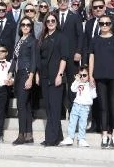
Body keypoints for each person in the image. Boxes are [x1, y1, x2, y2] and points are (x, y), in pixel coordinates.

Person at [88, 14, 114, 148]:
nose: (104, 25)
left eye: (107, 23)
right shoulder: (94, 40)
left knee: (113, 106)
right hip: (99, 76)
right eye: (102, 23)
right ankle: (104, 135)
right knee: (103, 107)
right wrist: (90, 75)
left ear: (111, 25)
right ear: (99, 25)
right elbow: (91, 58)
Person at [37, 13, 69, 147]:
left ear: (57, 22)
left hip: (56, 76)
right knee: (49, 108)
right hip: (44, 76)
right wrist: (38, 74)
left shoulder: (61, 37)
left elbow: (64, 57)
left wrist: (60, 75)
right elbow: (39, 57)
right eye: (48, 21)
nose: (50, 23)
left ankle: (50, 138)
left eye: (53, 20)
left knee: (55, 108)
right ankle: (58, 136)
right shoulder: (42, 37)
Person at [7, 16, 37, 145]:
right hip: (18, 75)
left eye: (28, 25)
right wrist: (9, 73)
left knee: (21, 105)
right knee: (26, 105)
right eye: (23, 24)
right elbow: (14, 59)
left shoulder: (33, 41)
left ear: (31, 27)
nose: (25, 26)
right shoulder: (19, 41)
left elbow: (34, 61)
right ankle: (29, 135)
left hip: (26, 74)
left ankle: (21, 135)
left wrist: (30, 78)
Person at [56, 0, 84, 111]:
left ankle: (73, 110)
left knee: (73, 83)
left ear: (68, 2)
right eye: (60, 1)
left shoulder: (75, 16)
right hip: (57, 56)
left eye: (64, 1)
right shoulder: (53, 17)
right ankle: (61, 111)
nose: (62, 3)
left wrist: (78, 51)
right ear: (57, 3)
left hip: (72, 56)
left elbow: (80, 35)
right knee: (58, 83)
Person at [59, 66, 97, 147]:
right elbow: (72, 89)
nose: (82, 77)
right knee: (72, 122)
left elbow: (94, 96)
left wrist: (93, 87)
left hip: (85, 107)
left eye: (84, 75)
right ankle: (70, 137)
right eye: (81, 75)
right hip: (76, 105)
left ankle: (81, 139)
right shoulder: (78, 83)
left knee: (83, 124)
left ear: (89, 76)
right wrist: (76, 81)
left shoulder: (90, 85)